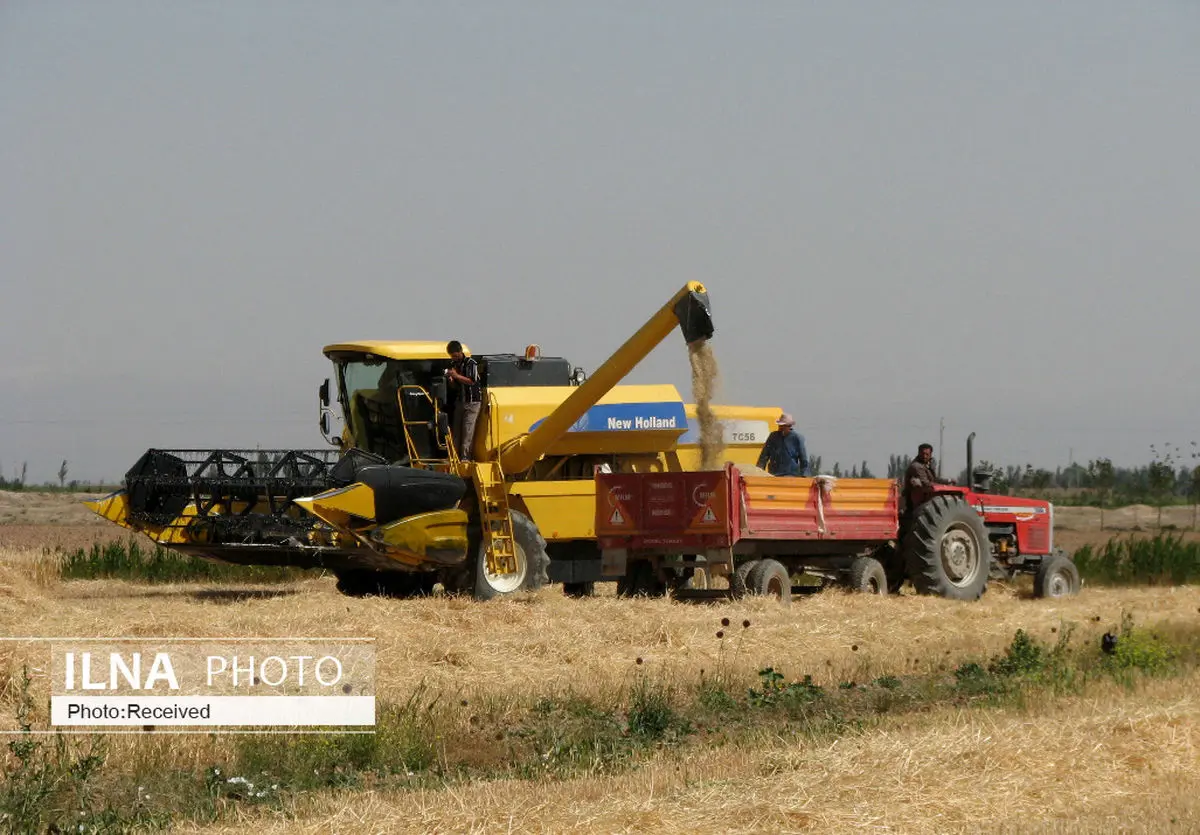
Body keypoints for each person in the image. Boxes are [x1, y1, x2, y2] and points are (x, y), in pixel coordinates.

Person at [445, 340, 482, 460]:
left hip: (472, 402)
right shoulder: (454, 364)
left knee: (467, 431)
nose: (454, 358)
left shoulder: (471, 363)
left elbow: (472, 381)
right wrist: (451, 380)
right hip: (460, 401)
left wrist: (456, 376)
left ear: (460, 352)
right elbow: (455, 387)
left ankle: (465, 458)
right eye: (452, 356)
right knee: (456, 432)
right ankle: (455, 457)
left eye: (455, 355)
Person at [903, 442, 955, 511]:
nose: (924, 456)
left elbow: (934, 479)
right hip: (916, 501)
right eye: (922, 454)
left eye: (927, 454)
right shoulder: (916, 466)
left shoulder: (926, 465)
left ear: (930, 455)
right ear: (919, 453)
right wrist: (944, 487)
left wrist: (948, 481)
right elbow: (926, 483)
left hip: (924, 498)